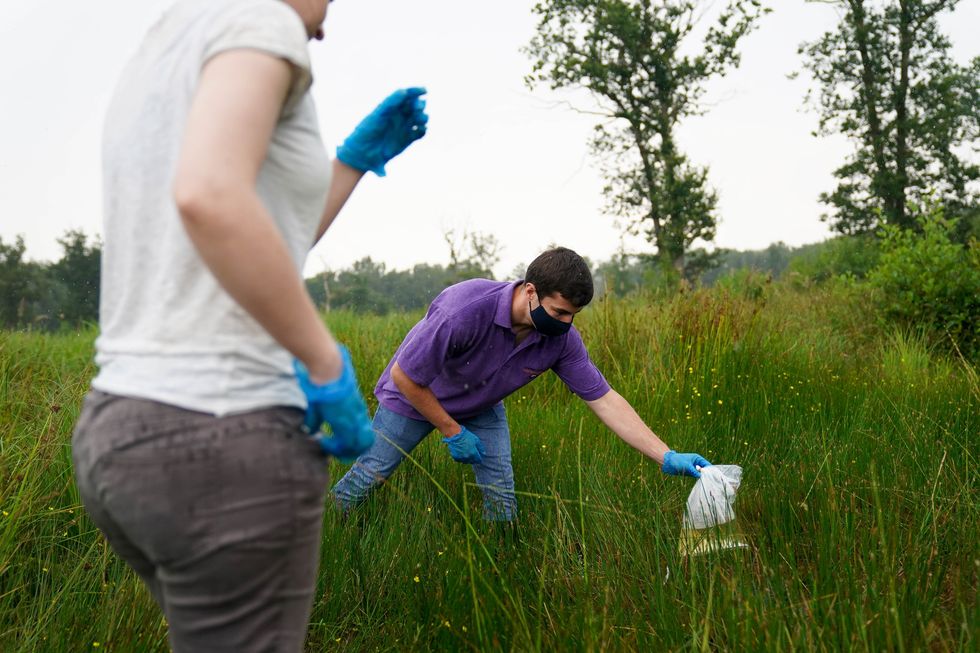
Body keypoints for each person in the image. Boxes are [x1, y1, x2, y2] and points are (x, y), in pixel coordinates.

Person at [70, 1, 427, 651]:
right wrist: (324, 360)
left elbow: (244, 239)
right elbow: (209, 196)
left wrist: (348, 163)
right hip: (223, 432)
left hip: (118, 429)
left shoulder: (164, 42)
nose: (325, 21)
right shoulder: (262, 20)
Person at [332, 247, 711, 521]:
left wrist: (666, 455)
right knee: (373, 471)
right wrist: (450, 430)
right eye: (559, 312)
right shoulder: (462, 310)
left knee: (501, 494)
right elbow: (405, 376)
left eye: (573, 315)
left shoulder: (560, 339)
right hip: (415, 397)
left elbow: (605, 400)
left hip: (480, 405)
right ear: (530, 291)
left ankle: (499, 555)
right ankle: (329, 528)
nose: (566, 323)